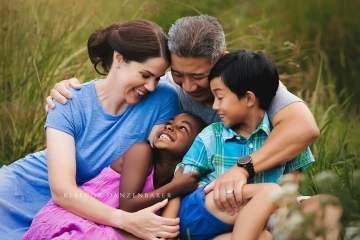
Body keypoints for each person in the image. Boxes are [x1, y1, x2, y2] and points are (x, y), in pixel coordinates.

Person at [47, 15, 320, 216]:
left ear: (221, 60)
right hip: (202, 200)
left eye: (199, 76)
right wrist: (71, 93)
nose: (188, 87)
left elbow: (304, 129)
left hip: (243, 190)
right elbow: (125, 84)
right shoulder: (164, 88)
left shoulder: (245, 82)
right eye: (178, 74)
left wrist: (243, 169)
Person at [0, 19, 202, 240]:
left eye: (157, 77)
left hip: (95, 203)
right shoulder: (68, 101)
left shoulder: (163, 98)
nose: (151, 86)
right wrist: (126, 220)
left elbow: (165, 156)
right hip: (28, 192)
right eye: (145, 75)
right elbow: (62, 191)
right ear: (119, 58)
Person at [162, 50, 314, 240]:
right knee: (271, 191)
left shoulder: (284, 139)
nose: (215, 106)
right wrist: (166, 231)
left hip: (241, 224)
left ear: (249, 99)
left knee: (268, 235)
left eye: (220, 97)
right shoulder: (211, 136)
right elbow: (180, 182)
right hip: (200, 211)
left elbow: (290, 193)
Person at [23, 112, 207, 239]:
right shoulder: (141, 152)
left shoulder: (175, 182)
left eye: (183, 128)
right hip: (73, 217)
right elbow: (128, 204)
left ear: (195, 148)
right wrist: (175, 187)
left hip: (104, 228)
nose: (170, 127)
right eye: (169, 123)